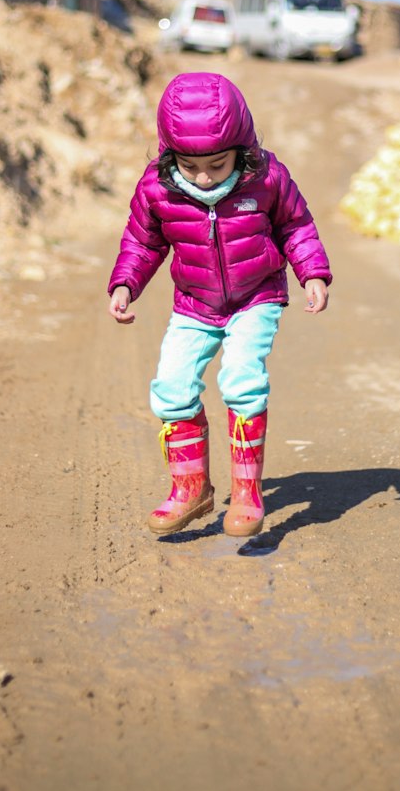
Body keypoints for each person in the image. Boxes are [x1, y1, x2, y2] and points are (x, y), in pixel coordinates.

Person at [108, 71, 331, 539]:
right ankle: (191, 488)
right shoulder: (157, 188)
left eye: (217, 163)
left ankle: (247, 492)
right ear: (171, 154)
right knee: (170, 388)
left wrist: (311, 272)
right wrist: (126, 283)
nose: (203, 177)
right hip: (195, 304)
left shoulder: (267, 177)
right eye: (189, 166)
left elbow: (296, 227)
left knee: (242, 379)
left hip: (256, 296)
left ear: (242, 148)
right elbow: (142, 242)